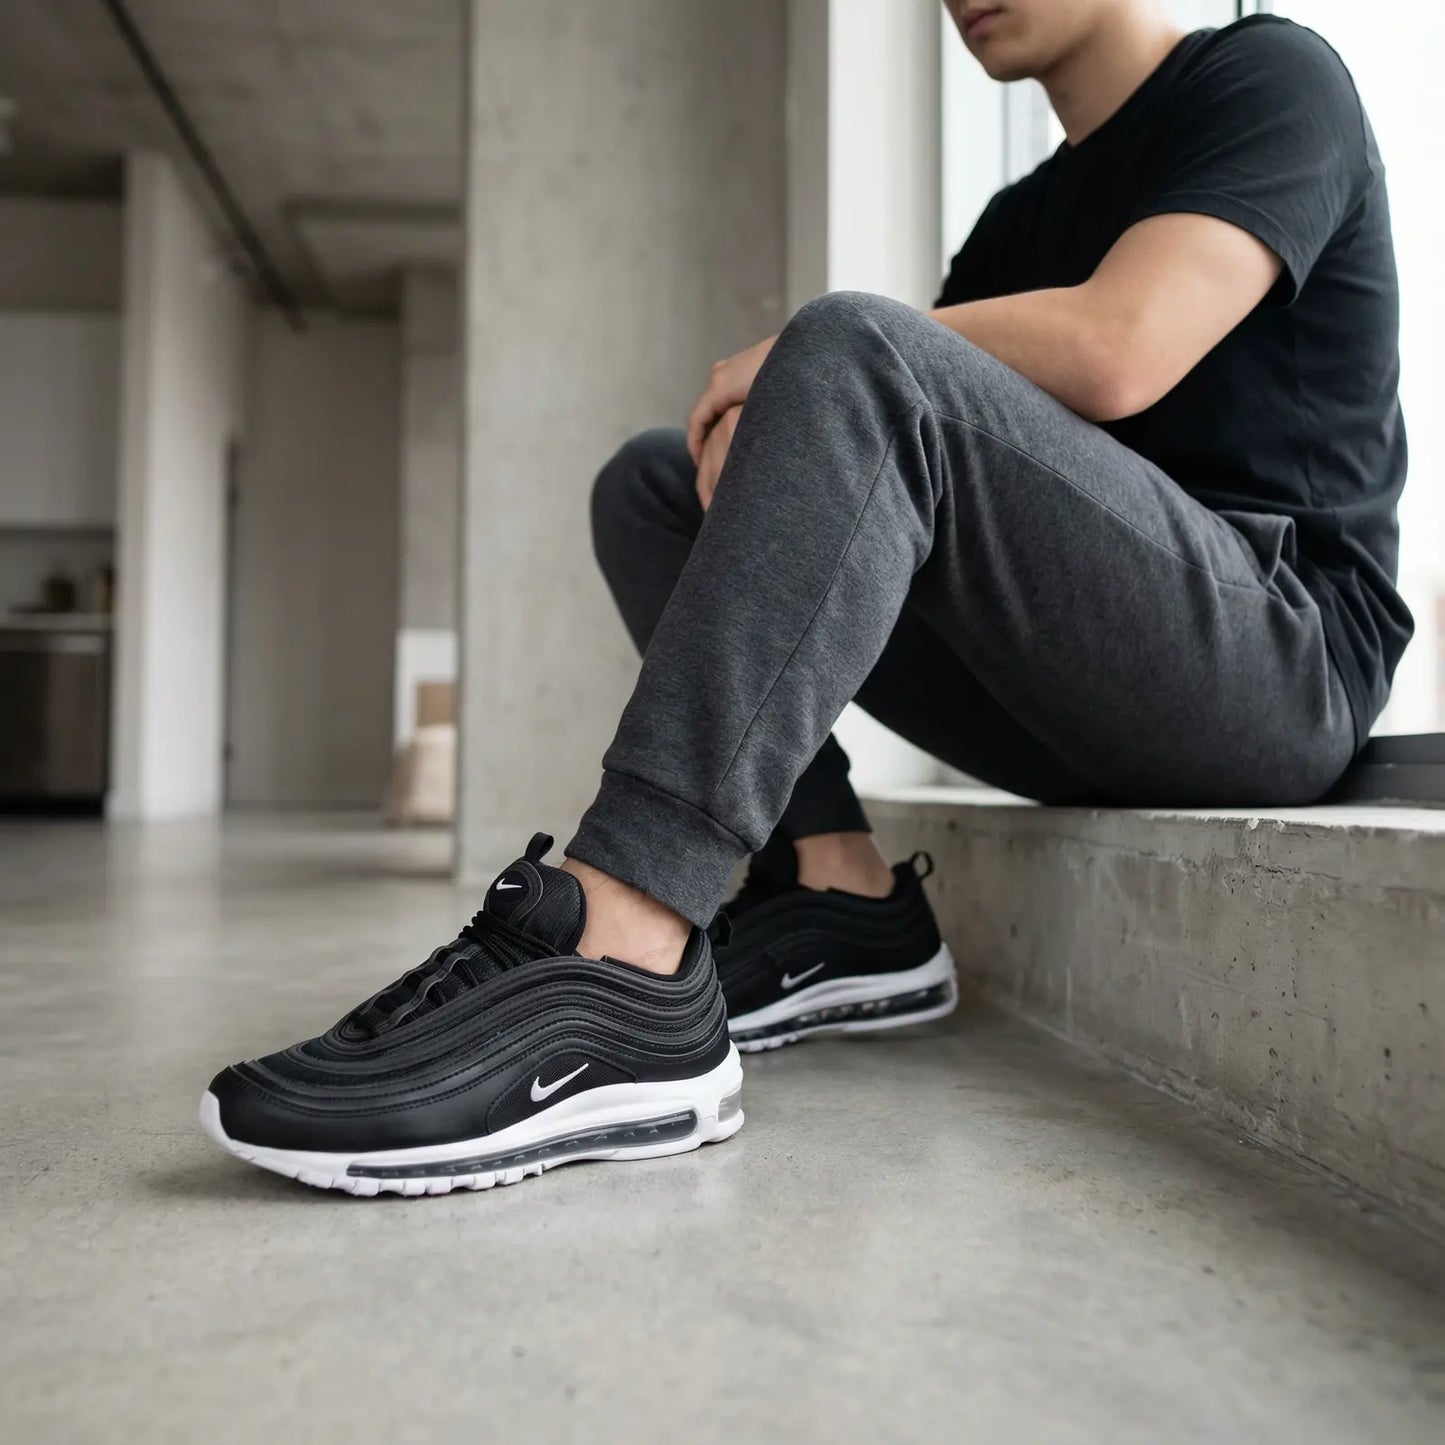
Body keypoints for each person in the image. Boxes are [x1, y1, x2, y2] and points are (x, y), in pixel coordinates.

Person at [201, 0, 1409, 1196]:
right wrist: (790, 423)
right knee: (655, 483)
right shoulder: (1015, 219)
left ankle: (624, 941)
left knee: (842, 349)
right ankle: (844, 895)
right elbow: (912, 446)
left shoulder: (1268, 74)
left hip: (1276, 664)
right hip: (1083, 689)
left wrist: (806, 368)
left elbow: (1120, 343)